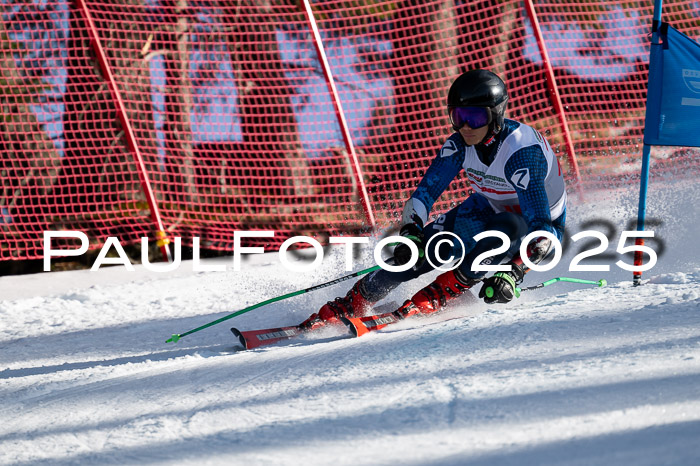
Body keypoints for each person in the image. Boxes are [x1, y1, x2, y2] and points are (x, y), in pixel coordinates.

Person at [301, 69, 567, 329]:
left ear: (495, 114)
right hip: (488, 207)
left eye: (474, 117)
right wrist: (411, 233)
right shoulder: (459, 144)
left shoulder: (522, 154)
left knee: (508, 225)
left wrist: (512, 273)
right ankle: (356, 300)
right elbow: (424, 195)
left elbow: (542, 231)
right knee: (419, 253)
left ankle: (441, 292)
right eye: (458, 116)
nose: (465, 126)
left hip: (539, 232)